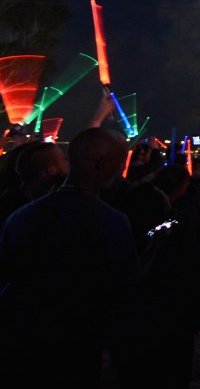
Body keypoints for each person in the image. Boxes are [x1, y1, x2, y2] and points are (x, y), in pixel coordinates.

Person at [0, 127, 138, 385]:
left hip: (20, 344)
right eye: (120, 163)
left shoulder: (19, 218)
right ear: (102, 164)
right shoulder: (112, 222)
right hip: (77, 348)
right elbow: (122, 294)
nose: (121, 171)